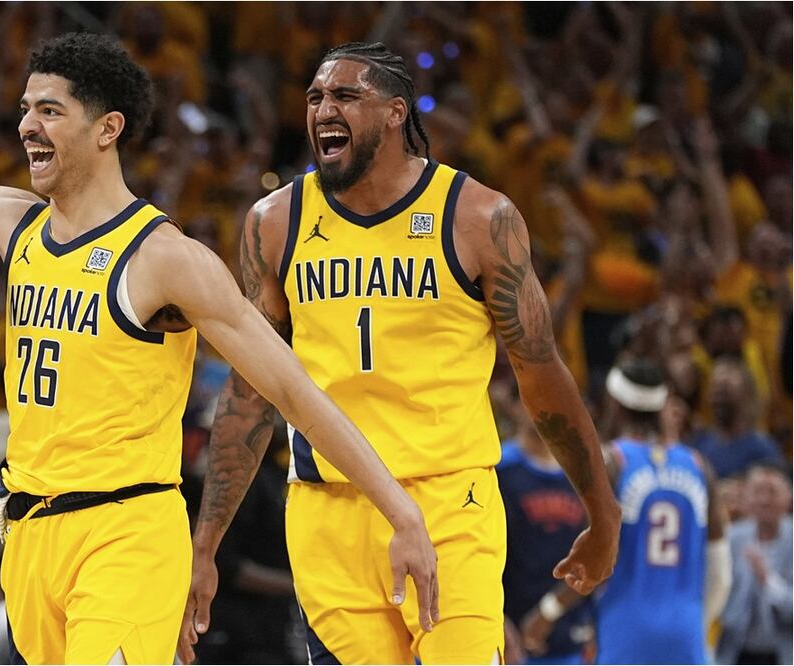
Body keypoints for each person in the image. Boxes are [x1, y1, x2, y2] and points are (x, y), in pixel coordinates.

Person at [0, 32, 438, 665]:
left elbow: (293, 391)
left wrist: (402, 514)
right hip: (27, 538)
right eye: (26, 109)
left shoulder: (165, 258)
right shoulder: (18, 224)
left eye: (50, 111)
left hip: (124, 534)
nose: (27, 126)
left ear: (107, 128)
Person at [182, 41, 621, 665]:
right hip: (327, 510)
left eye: (345, 95)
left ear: (395, 113)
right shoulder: (274, 222)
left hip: (450, 502)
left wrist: (602, 513)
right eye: (315, 97)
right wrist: (204, 546)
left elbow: (541, 375)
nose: (323, 110)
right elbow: (250, 389)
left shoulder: (478, 217)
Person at [524, 360, 732, 664]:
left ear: (616, 405)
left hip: (626, 630)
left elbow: (594, 560)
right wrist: (693, 622)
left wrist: (548, 611)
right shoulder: (699, 466)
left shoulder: (612, 463)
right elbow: (721, 573)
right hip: (686, 632)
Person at [499, 408, 594, 665]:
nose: (543, 407)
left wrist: (549, 611)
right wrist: (499, 619)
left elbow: (596, 556)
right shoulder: (499, 469)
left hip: (568, 634)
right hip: (508, 635)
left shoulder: (584, 472)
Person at [717, 463, 792, 665]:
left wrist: (768, 580)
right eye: (758, 492)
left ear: (789, 496)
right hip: (734, 651)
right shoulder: (732, 538)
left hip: (783, 652)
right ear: (747, 497)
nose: (764, 500)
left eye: (772, 492)